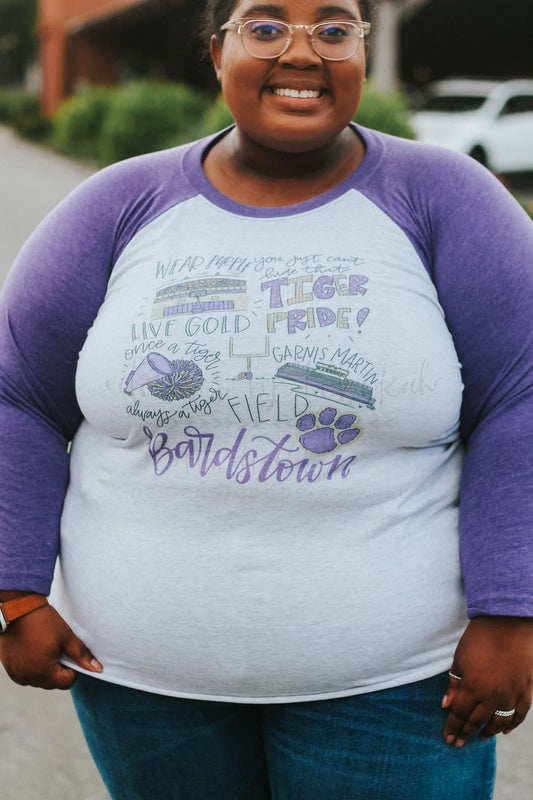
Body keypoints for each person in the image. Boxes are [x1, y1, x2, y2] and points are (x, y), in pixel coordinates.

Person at [1, 0, 533, 797]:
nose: (301, 51)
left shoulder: (443, 197)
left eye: (332, 28)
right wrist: (13, 592)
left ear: (360, 46)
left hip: (394, 693)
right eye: (263, 25)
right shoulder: (119, 204)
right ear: (217, 52)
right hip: (143, 686)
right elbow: (19, 399)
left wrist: (510, 609)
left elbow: (519, 400)